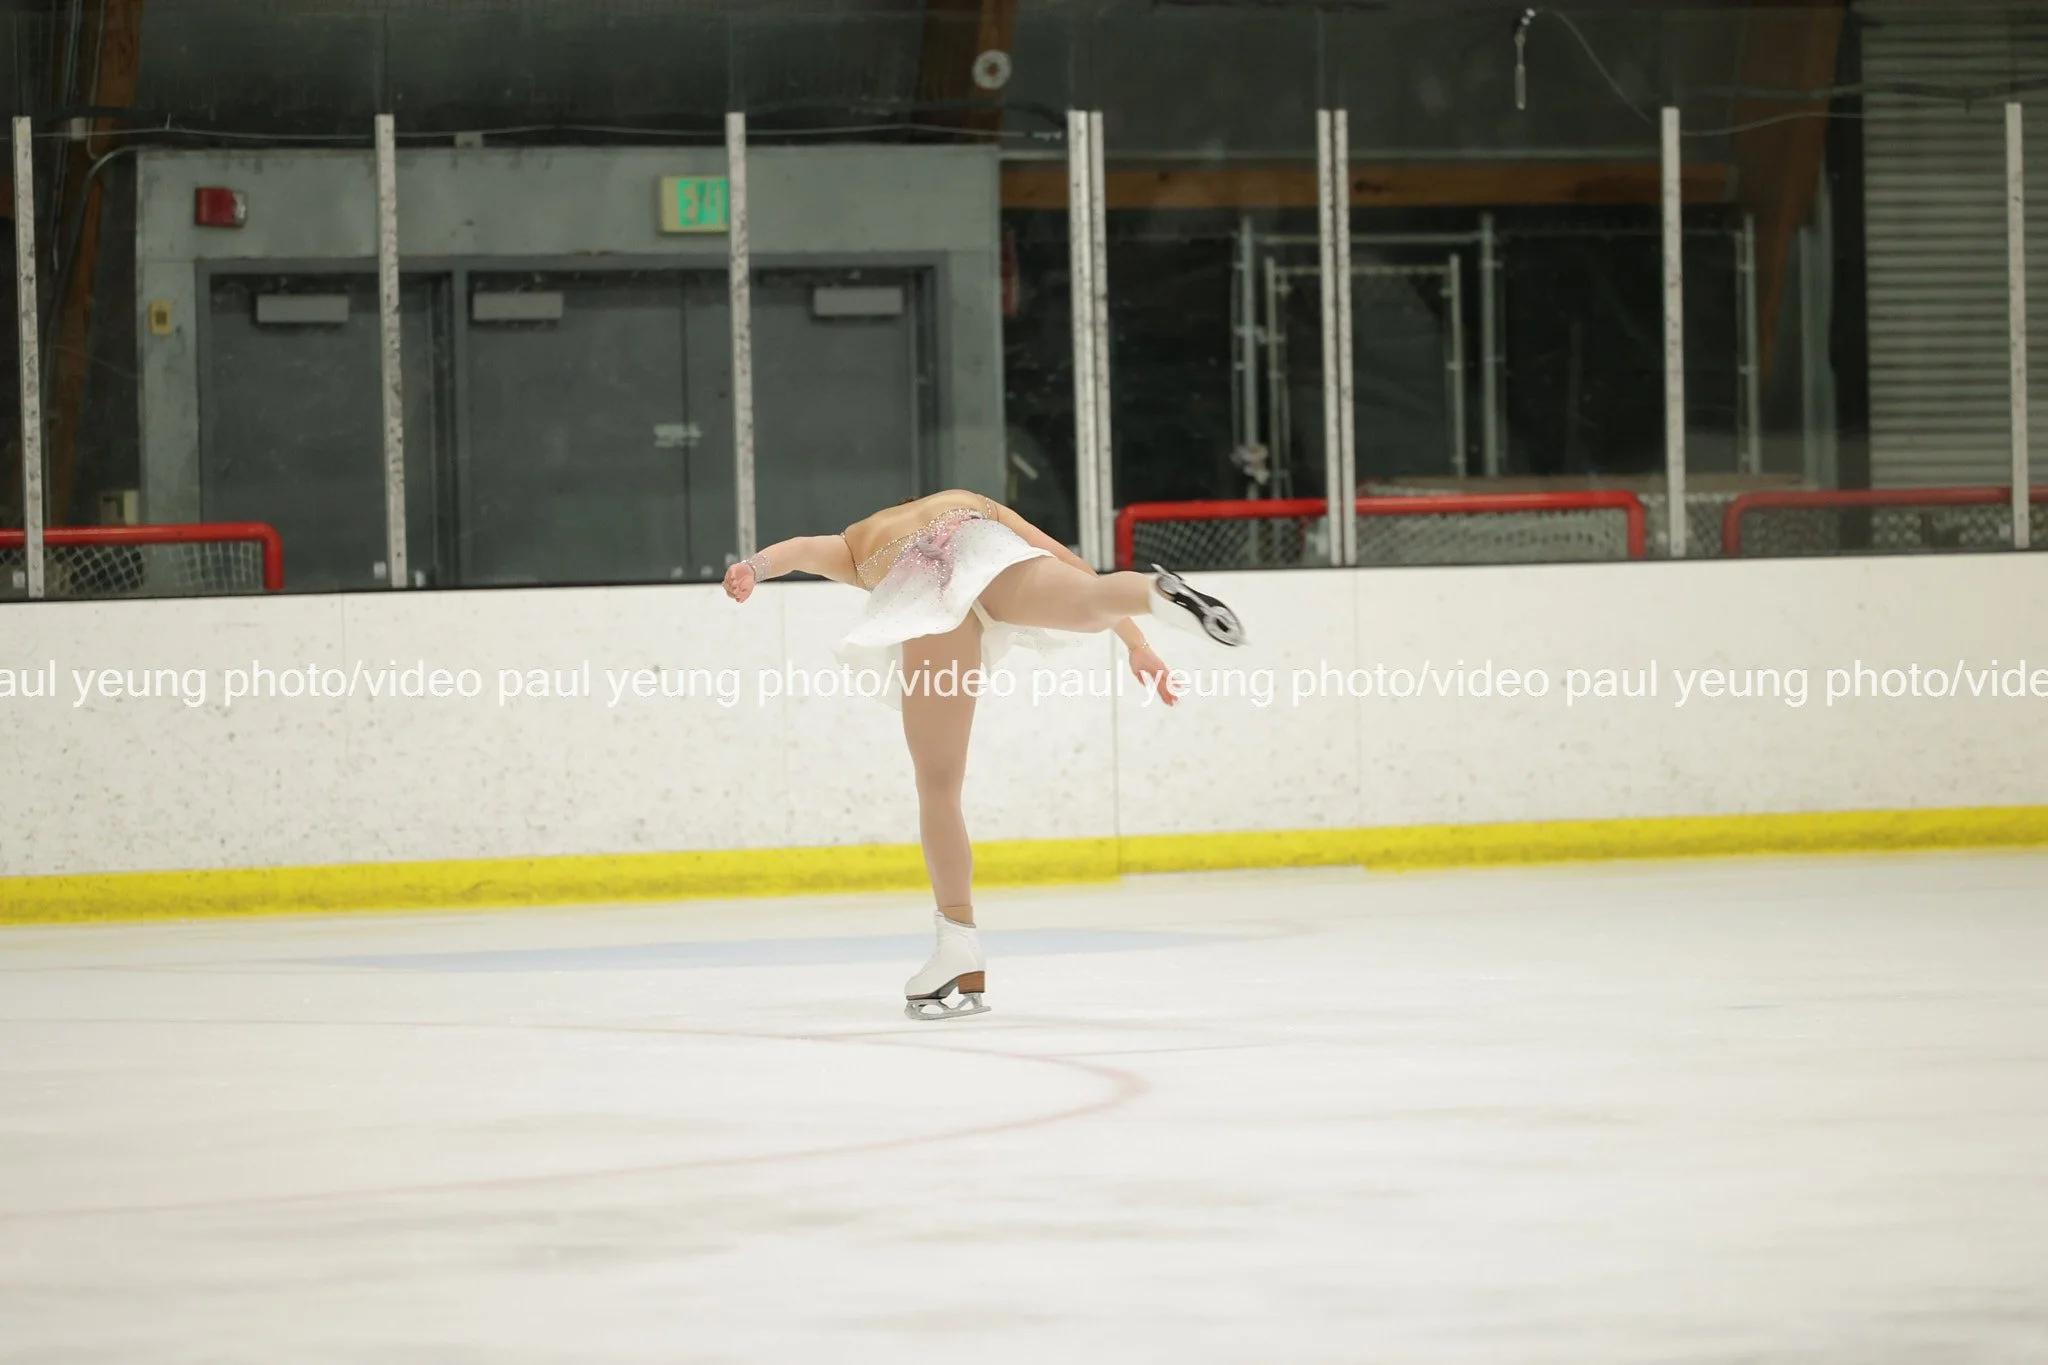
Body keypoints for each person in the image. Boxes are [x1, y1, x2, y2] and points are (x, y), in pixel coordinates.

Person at [723, 488, 1244, 1020]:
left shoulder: (856, 544)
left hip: (924, 591)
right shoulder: (966, 499)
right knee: (1091, 602)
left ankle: (958, 942)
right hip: (982, 543)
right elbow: (1069, 562)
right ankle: (1155, 593)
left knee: (939, 786)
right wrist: (1138, 645)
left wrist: (752, 568)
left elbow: (801, 550)